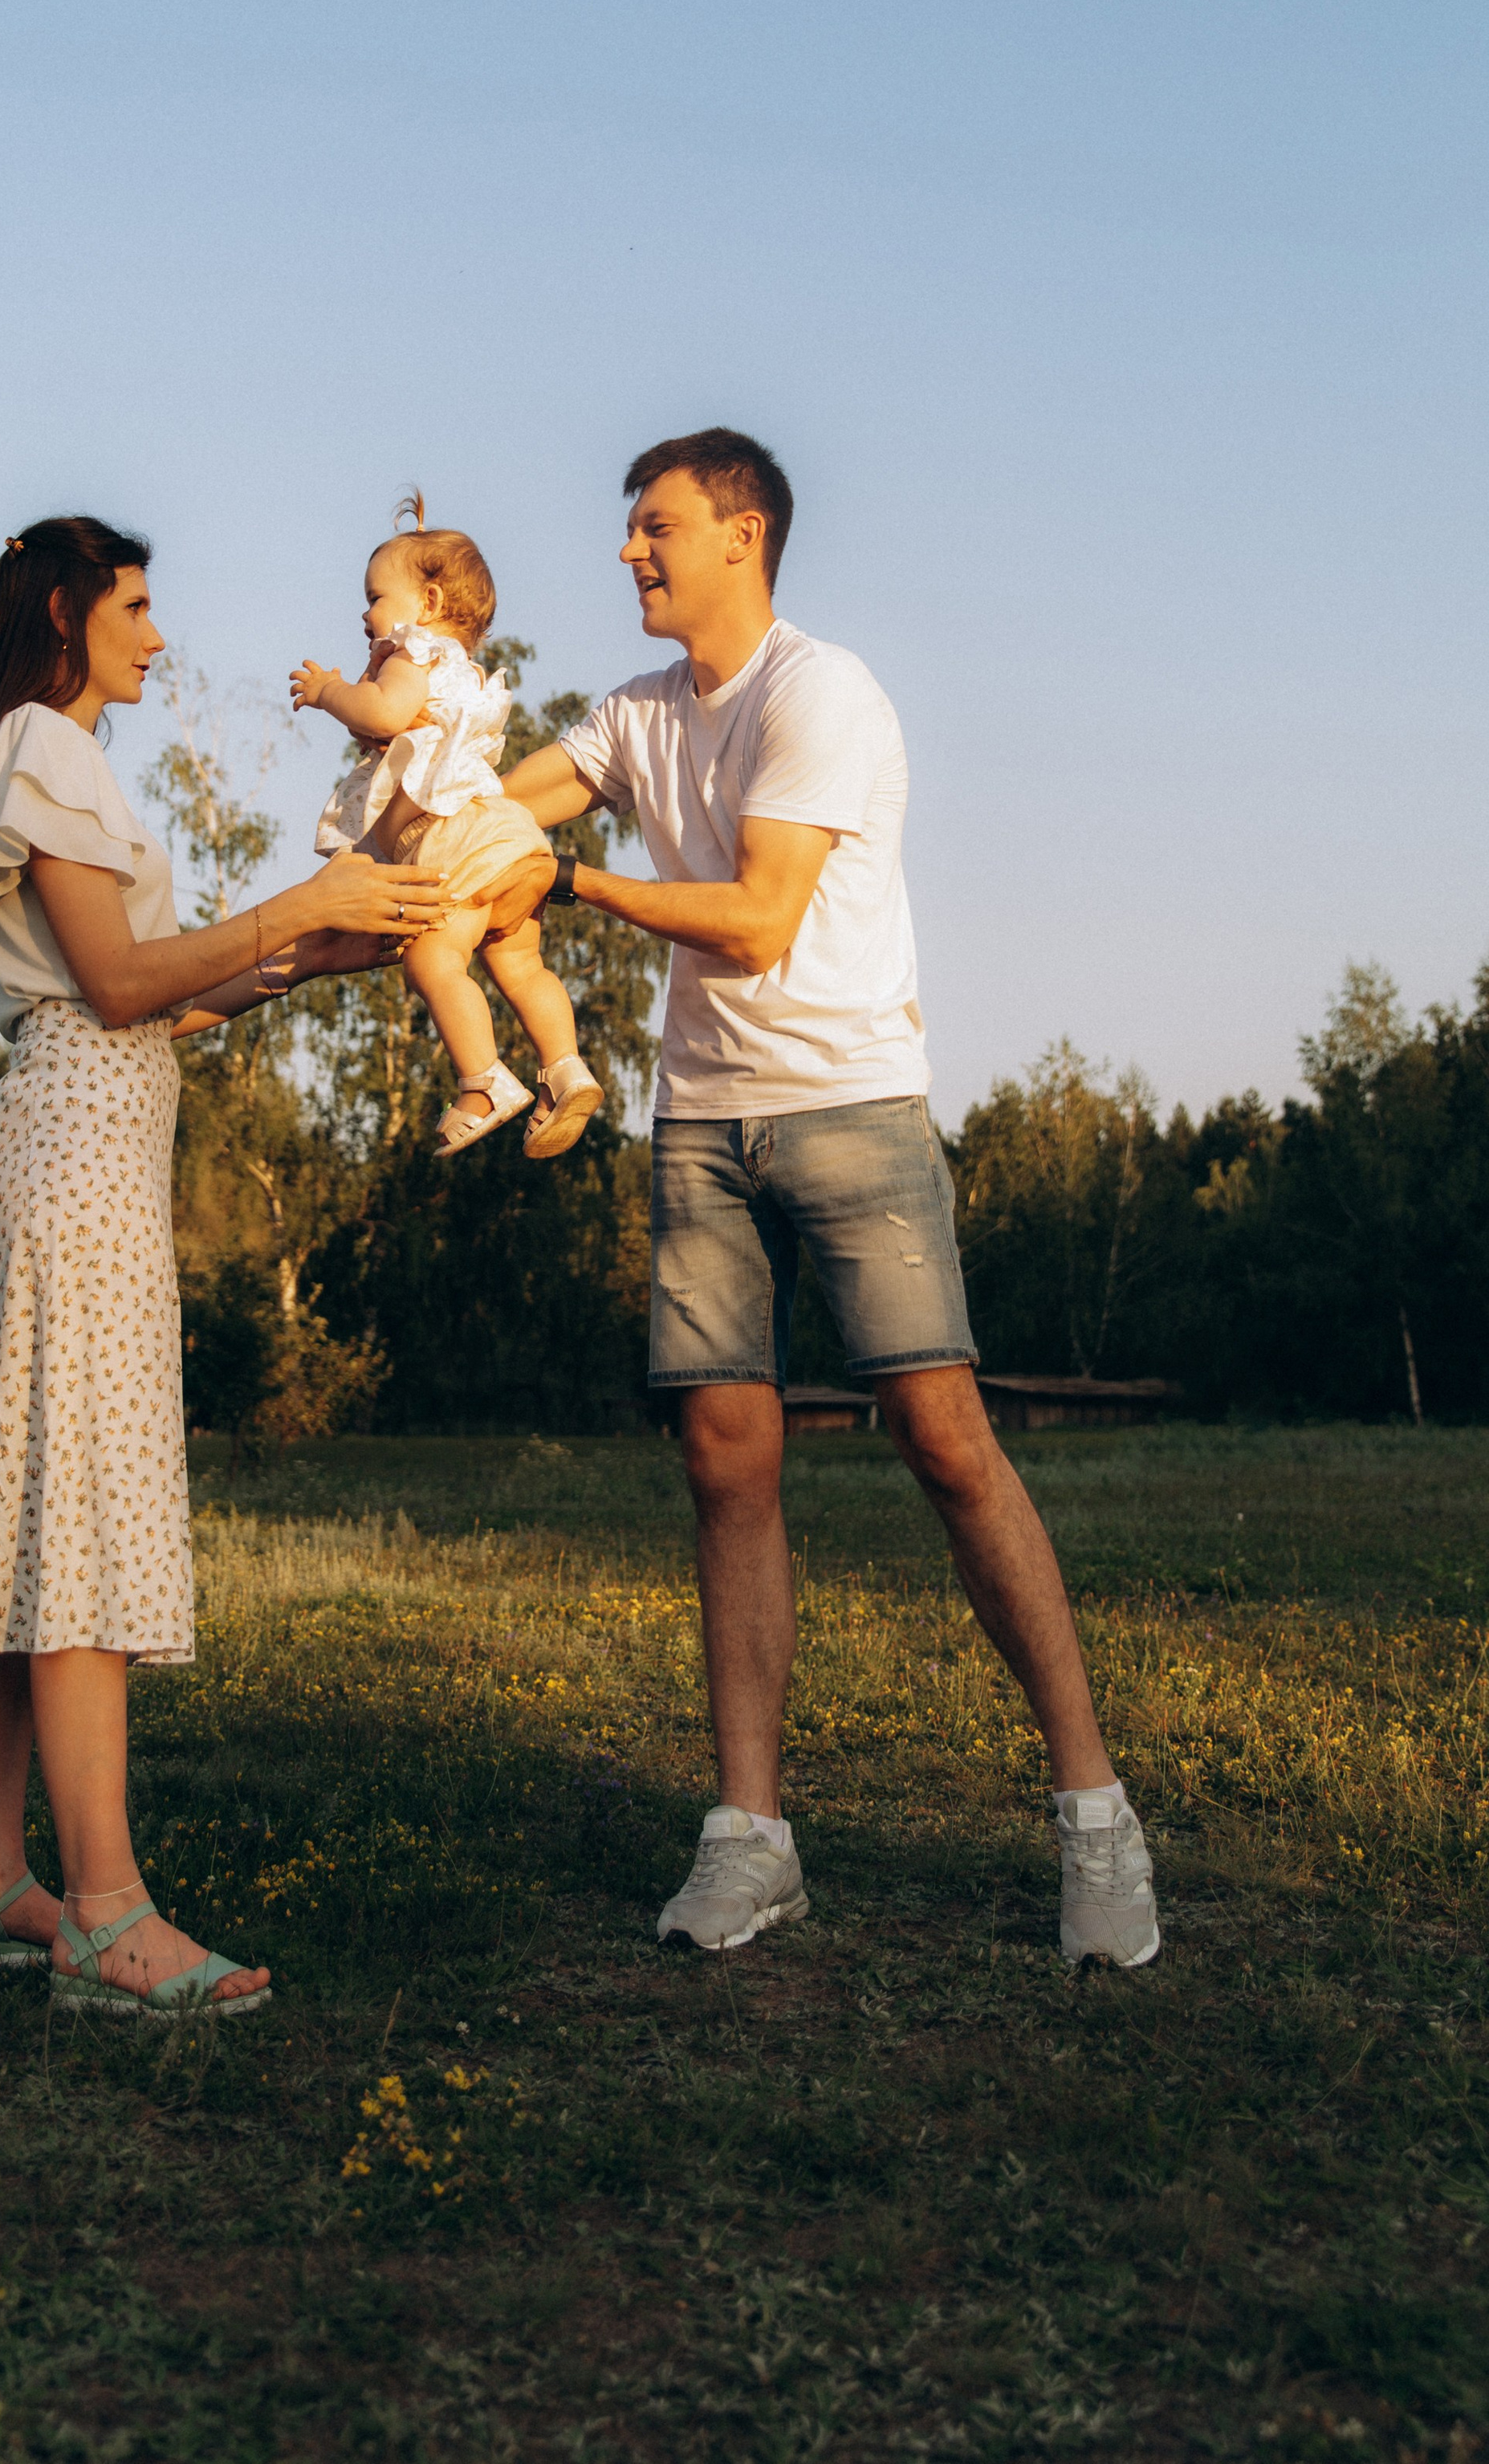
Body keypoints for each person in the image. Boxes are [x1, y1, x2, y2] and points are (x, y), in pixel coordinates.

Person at [502, 430, 1159, 1969]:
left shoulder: (822, 693)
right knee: (725, 1459)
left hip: (852, 1105)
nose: (628, 551)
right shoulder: (633, 714)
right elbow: (491, 808)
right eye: (628, 530)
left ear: (742, 535)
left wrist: (572, 882)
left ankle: (1097, 1816)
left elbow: (755, 919)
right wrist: (409, 738)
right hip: (702, 1120)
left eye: (655, 526)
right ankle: (752, 1840)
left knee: (944, 1437)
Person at [0, 515, 447, 2014]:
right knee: (79, 1512)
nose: (157, 637)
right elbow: (116, 983)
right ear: (65, 611)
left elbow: (167, 994)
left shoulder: (46, 754)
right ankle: (103, 1913)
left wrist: (333, 940)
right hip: (73, 1152)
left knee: (32, 1506)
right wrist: (303, 906)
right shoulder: (45, 744)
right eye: (137, 607)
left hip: (78, 1134)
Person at [291, 499, 603, 1160]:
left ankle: (482, 1083)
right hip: (511, 838)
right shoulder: (461, 671)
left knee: (433, 960)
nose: (365, 615)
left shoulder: (412, 652)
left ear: (428, 602)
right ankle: (566, 1067)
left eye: (375, 598)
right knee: (520, 963)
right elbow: (402, 732)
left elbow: (383, 713)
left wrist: (329, 693)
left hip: (455, 843)